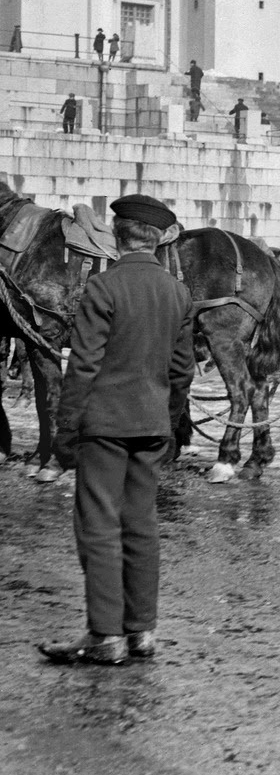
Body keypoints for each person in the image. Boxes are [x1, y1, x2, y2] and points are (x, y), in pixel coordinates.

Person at [37, 194, 195, 665]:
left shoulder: (103, 287)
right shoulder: (179, 293)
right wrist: (167, 424)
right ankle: (141, 632)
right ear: (155, 238)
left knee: (99, 528)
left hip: (105, 425)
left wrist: (66, 431)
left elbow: (83, 367)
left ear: (116, 233)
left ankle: (105, 635)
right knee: (141, 527)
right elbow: (182, 370)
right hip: (150, 426)